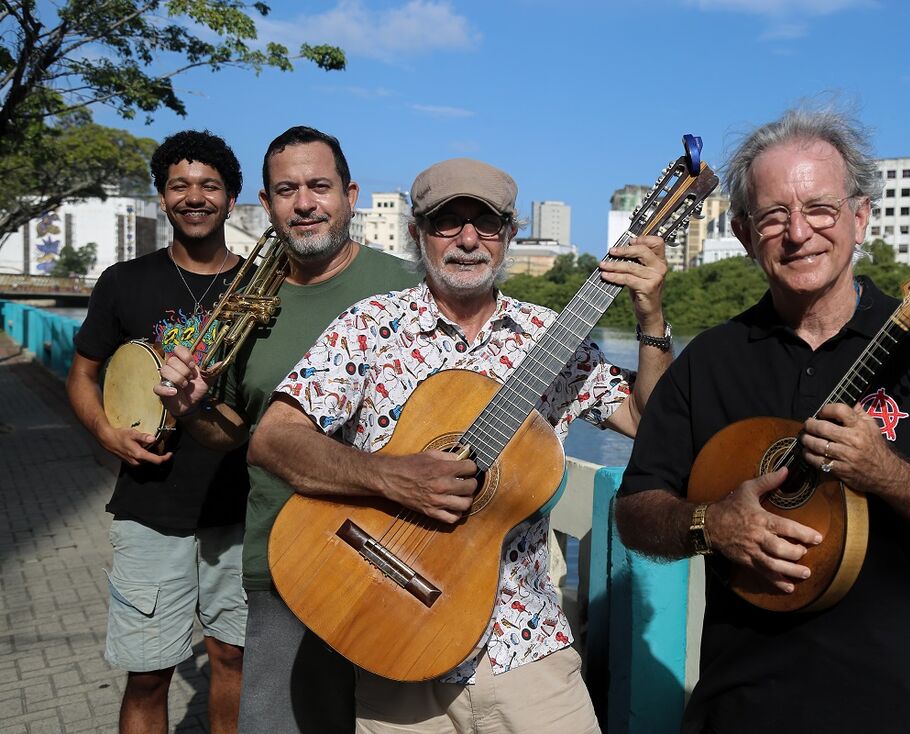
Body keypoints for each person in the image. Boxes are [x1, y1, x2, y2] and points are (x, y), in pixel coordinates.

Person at [613, 107, 910, 733]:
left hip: (899, 715)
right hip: (736, 713)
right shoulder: (710, 362)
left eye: (821, 208)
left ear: (860, 218)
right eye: (773, 216)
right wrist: (713, 524)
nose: (799, 233)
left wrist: (889, 474)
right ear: (741, 231)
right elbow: (635, 511)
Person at [239, 156, 672, 733]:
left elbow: (651, 423)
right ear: (419, 234)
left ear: (510, 235)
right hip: (396, 640)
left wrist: (650, 316)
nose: (468, 239)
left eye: (486, 223)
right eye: (448, 221)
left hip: (527, 647)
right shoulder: (370, 325)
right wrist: (392, 476)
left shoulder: (554, 337)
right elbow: (272, 439)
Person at [154, 126, 419, 733]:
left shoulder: (410, 288)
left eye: (319, 186)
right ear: (268, 205)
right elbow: (232, 436)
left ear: (351, 195)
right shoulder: (243, 304)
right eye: (286, 190)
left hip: (401, 562)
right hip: (281, 561)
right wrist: (194, 409)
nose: (304, 203)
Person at [66, 129, 249, 733]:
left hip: (241, 508)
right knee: (148, 673)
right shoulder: (123, 281)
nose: (194, 196)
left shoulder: (260, 290)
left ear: (231, 197)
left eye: (209, 185)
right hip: (149, 506)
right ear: (162, 197)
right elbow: (83, 377)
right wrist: (105, 433)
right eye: (180, 185)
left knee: (233, 659)